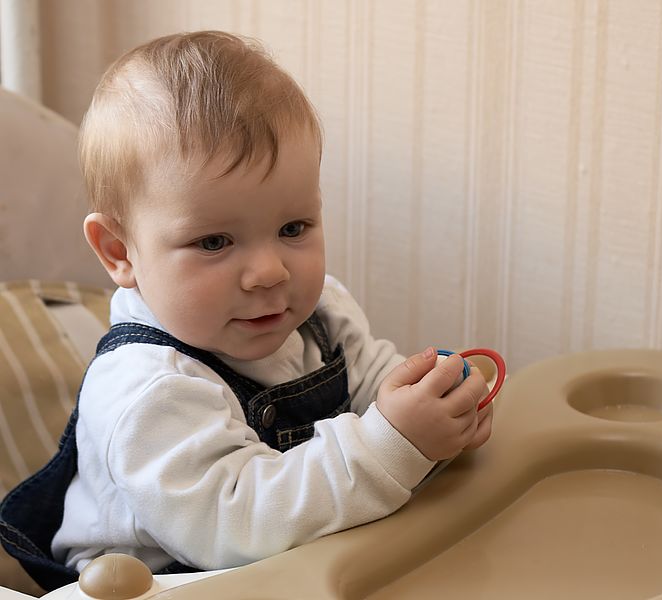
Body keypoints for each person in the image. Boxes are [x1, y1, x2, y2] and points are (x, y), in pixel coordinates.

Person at [0, 30, 492, 589]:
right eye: (214, 243)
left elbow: (371, 380)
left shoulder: (319, 309)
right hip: (166, 579)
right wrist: (392, 447)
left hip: (305, 560)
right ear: (120, 252)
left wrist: (430, 405)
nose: (270, 272)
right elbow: (235, 523)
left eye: (292, 228)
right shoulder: (146, 389)